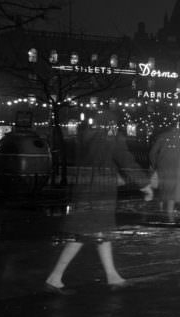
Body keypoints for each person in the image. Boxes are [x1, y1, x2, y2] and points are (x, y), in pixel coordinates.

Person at [45, 116, 153, 293]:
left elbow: (96, 161)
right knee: (84, 234)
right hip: (100, 192)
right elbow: (126, 160)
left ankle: (112, 275)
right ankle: (55, 277)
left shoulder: (85, 137)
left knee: (99, 232)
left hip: (85, 189)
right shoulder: (110, 136)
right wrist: (145, 184)